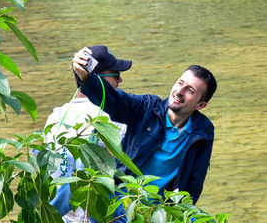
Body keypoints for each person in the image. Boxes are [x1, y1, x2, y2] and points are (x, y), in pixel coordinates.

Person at [72, 46, 217, 209]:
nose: (179, 91)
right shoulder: (146, 107)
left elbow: (194, 181)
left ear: (201, 105)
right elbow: (114, 100)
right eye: (180, 83)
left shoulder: (203, 130)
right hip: (122, 200)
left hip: (160, 211)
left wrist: (180, 211)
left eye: (190, 90)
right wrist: (85, 77)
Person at [45, 45, 130, 221]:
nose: (120, 81)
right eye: (116, 75)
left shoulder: (55, 116)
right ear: (97, 80)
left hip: (63, 217)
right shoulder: (113, 117)